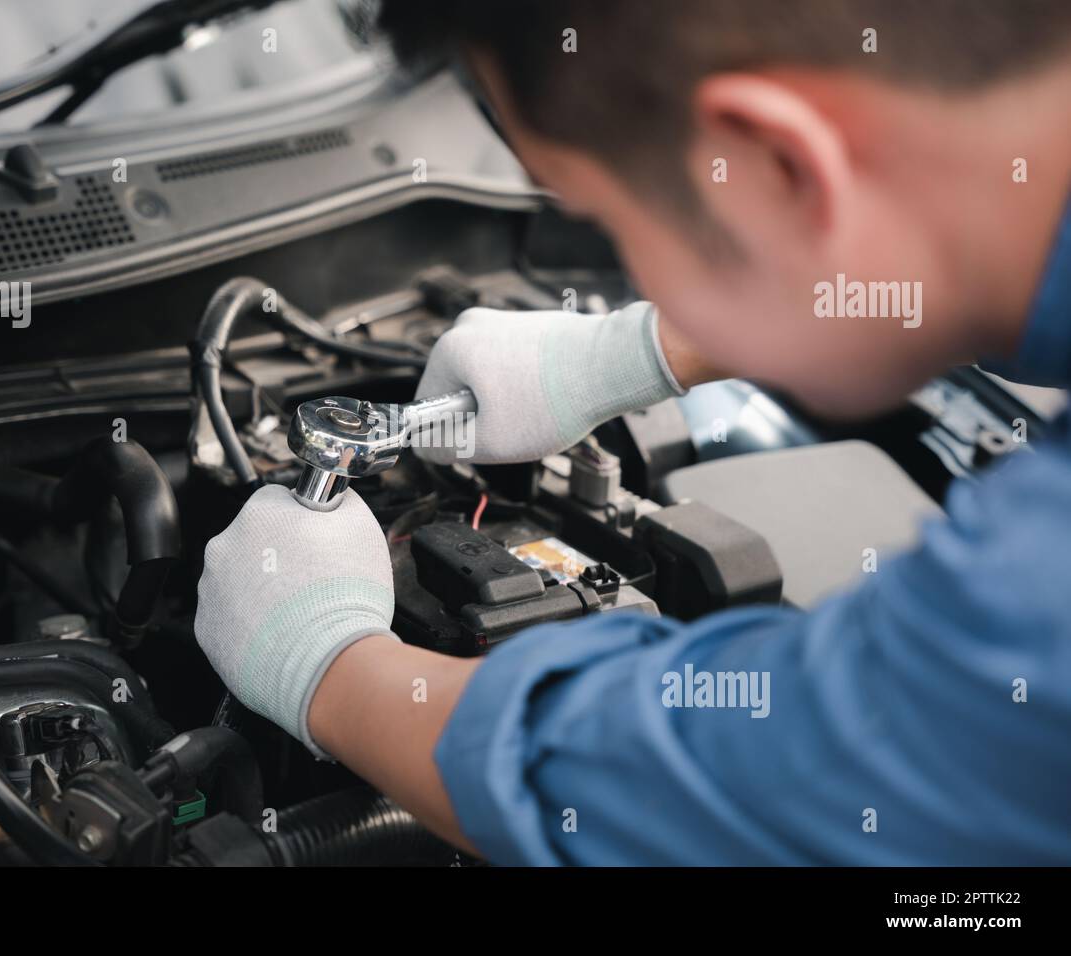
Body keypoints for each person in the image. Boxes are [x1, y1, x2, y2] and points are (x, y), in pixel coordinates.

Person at [193, 0, 1071, 864]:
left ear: (776, 163)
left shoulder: (1040, 599)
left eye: (608, 220)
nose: (626, 262)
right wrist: (647, 348)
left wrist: (333, 671)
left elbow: (757, 777)